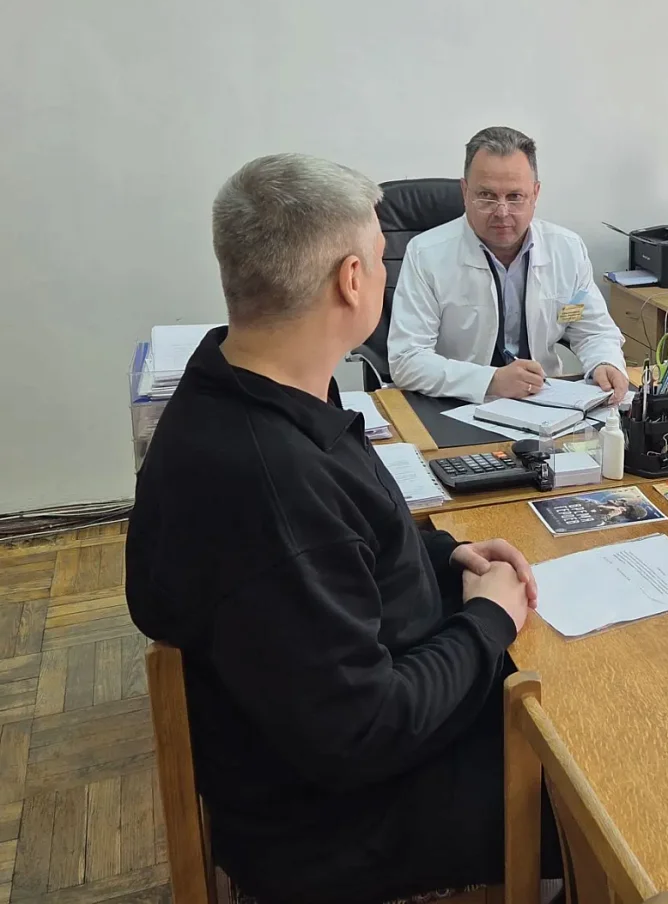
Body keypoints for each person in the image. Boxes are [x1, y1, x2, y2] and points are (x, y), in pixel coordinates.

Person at [124, 154, 558, 903]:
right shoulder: (267, 480)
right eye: (382, 259)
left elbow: (351, 539)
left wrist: (444, 553)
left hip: (335, 728)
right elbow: (367, 732)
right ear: (352, 280)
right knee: (601, 780)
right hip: (336, 817)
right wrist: (489, 620)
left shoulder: (246, 383)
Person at [388, 126, 629, 405]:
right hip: (455, 403)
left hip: (547, 403)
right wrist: (490, 380)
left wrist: (605, 362)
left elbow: (592, 330)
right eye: (487, 196)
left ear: (535, 194)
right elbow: (407, 359)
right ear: (465, 192)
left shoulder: (567, 250)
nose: (502, 212)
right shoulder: (426, 254)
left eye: (515, 197)